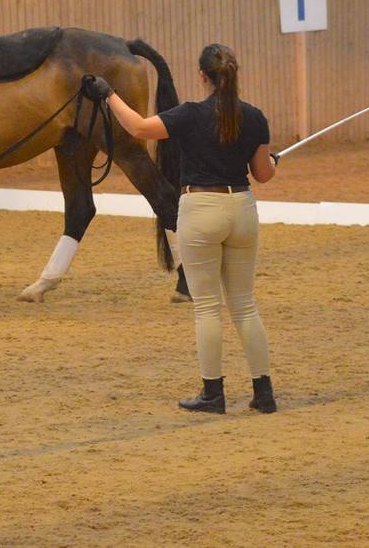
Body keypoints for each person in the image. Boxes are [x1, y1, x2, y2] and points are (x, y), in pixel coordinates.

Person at [89, 44, 278, 416]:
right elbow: (263, 174)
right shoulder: (254, 118)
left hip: (201, 209)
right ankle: (264, 391)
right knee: (244, 305)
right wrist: (273, 160)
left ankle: (213, 393)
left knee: (207, 307)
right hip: (241, 208)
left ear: (202, 77)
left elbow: (139, 127)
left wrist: (108, 94)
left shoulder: (190, 115)